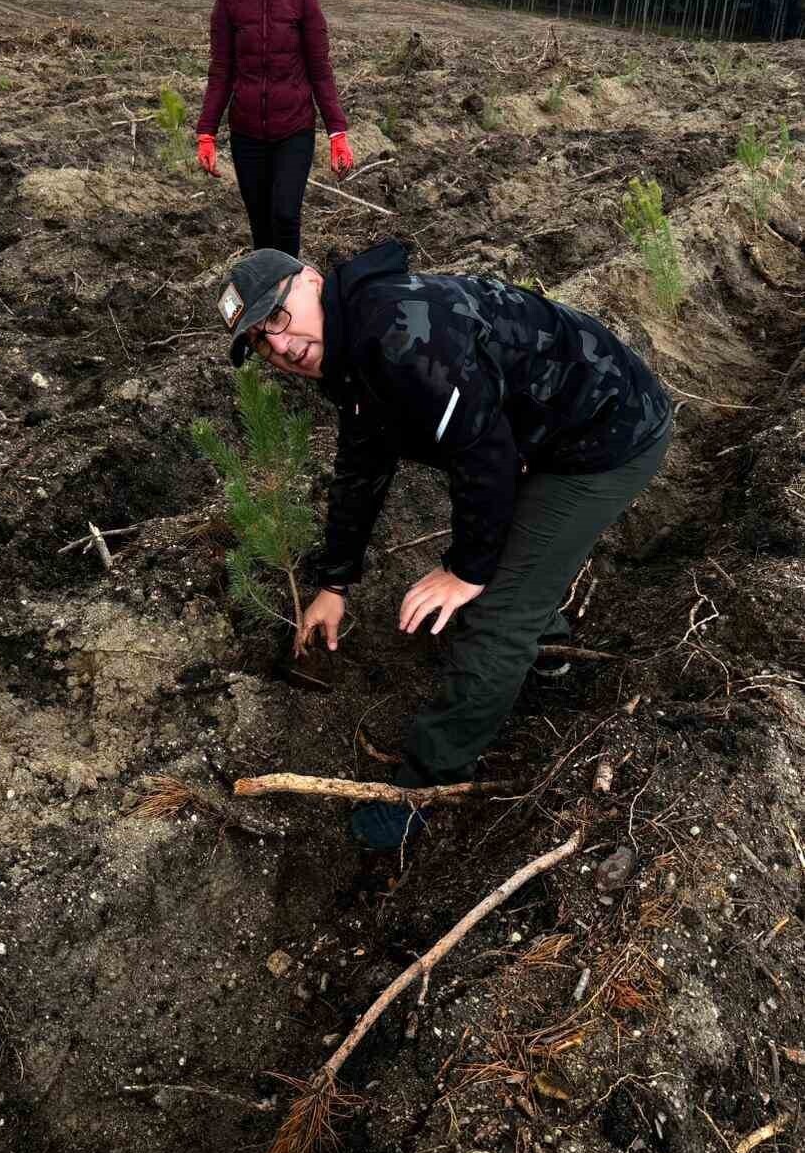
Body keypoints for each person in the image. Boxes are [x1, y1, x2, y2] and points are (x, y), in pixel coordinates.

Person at [214, 239, 673, 851]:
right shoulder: (352, 346)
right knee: (504, 573)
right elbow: (362, 464)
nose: (280, 346)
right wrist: (334, 583)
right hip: (548, 433)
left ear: (312, 281)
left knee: (492, 617)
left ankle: (427, 785)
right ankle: (550, 651)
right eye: (260, 344)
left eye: (276, 317)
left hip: (606, 437)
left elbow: (484, 461)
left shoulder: (401, 335)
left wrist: (465, 570)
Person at [196, 0, 353, 259]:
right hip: (247, 133)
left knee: (285, 215)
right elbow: (221, 71)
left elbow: (320, 69)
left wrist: (337, 132)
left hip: (293, 130)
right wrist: (206, 132)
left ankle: (290, 298)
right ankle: (268, 307)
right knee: (261, 227)